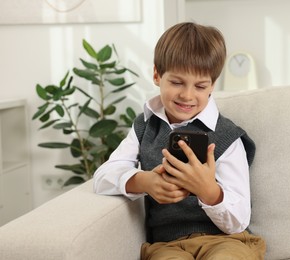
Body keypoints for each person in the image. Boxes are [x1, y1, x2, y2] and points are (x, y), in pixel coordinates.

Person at [93, 22, 266, 260]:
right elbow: (103, 177)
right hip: (168, 245)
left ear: (212, 85)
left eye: (200, 86)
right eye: (176, 82)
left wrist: (210, 192)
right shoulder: (144, 128)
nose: (187, 95)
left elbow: (238, 221)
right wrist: (144, 181)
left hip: (227, 241)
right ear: (156, 75)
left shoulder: (227, 136)